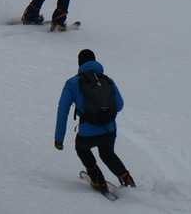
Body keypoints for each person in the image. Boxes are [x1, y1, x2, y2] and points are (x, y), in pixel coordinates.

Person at [54, 49, 136, 192]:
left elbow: (63, 111)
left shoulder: (72, 83)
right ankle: (128, 181)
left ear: (79, 63)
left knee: (81, 149)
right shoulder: (107, 80)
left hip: (87, 133)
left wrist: (59, 139)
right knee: (107, 154)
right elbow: (120, 105)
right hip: (109, 130)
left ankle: (97, 180)